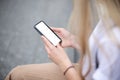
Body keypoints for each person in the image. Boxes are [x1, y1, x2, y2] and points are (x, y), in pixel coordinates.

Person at [4, 0, 120, 80]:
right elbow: (101, 52)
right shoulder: (114, 11)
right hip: (87, 70)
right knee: (19, 74)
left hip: (81, 74)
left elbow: (109, 50)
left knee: (16, 75)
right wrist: (74, 40)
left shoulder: (115, 42)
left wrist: (64, 64)